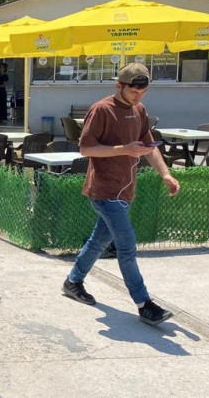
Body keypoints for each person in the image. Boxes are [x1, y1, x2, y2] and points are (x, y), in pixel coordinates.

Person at [61, 63, 180, 327]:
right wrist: (124, 149)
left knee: (98, 241)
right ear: (119, 86)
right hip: (104, 191)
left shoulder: (139, 110)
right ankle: (144, 304)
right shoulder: (101, 109)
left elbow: (149, 147)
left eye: (143, 92)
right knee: (126, 247)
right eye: (134, 91)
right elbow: (86, 149)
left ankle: (73, 281)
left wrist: (165, 174)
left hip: (125, 190)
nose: (138, 96)